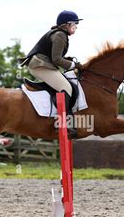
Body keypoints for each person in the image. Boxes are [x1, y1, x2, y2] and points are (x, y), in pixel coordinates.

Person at [20, 10, 83, 138]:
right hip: (40, 65)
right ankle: (64, 124)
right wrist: (73, 65)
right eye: (74, 24)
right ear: (66, 25)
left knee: (65, 85)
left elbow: (55, 56)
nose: (76, 27)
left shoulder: (60, 34)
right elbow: (56, 60)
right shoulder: (60, 35)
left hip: (43, 63)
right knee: (66, 88)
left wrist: (68, 60)